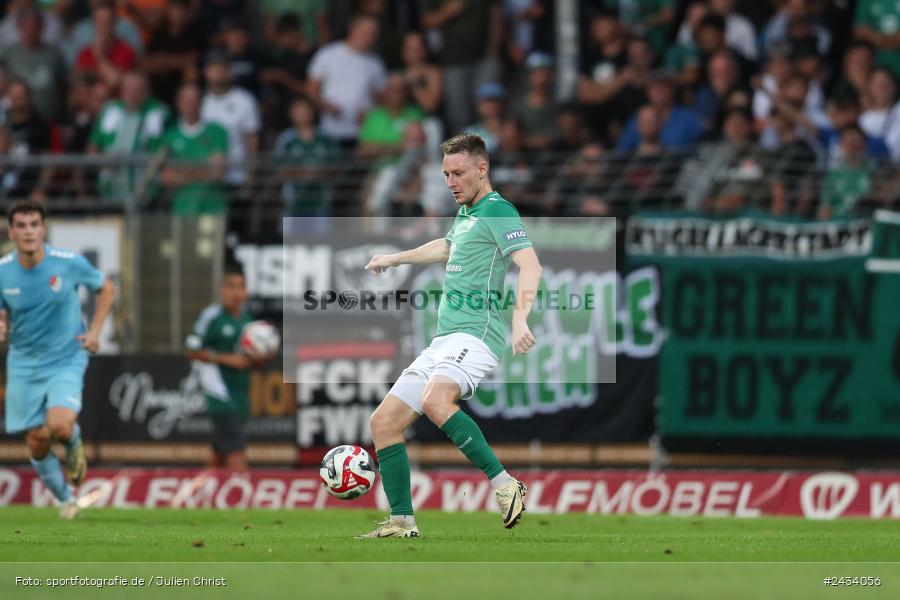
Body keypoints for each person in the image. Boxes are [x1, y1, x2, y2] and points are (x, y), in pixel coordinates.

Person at [362, 133, 542, 538]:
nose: (451, 181)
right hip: (446, 338)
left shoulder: (498, 211)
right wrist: (395, 257)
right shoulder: (468, 213)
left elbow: (530, 265)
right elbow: (447, 247)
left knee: (435, 400)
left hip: (478, 333)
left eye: (459, 172)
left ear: (483, 169)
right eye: (445, 174)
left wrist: (519, 319)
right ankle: (402, 522)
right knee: (384, 423)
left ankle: (505, 485)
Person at [0, 200, 116, 519]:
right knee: (36, 441)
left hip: (66, 357)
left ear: (43, 229)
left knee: (60, 426)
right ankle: (66, 501)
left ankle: (73, 440)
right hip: (23, 363)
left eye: (34, 224)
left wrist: (95, 331)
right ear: (11, 231)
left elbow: (106, 288)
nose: (28, 231)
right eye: (21, 226)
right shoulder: (2, 271)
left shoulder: (68, 263)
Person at [184, 263, 263, 471]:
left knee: (219, 456)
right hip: (220, 395)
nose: (237, 293)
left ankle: (201, 498)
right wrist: (226, 358)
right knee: (236, 455)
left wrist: (259, 357)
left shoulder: (247, 320)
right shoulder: (212, 317)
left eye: (241, 287)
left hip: (240, 395)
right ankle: (242, 498)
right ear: (221, 289)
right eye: (231, 286)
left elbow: (248, 361)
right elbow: (191, 350)